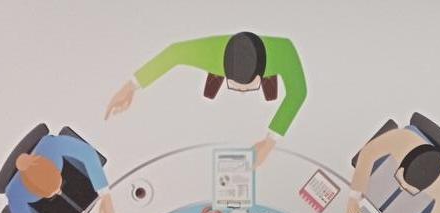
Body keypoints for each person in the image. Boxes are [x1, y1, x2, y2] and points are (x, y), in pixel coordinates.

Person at [105, 32, 307, 167]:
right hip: (219, 62)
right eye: (236, 86)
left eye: (248, 87)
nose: (242, 93)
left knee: (271, 90)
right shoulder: (211, 54)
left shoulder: (284, 52)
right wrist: (130, 87)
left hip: (268, 69)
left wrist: (270, 141)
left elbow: (298, 92)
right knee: (212, 86)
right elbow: (174, 53)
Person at [5, 131, 114, 213]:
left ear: (57, 169)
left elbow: (88, 153)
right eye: (53, 193)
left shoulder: (52, 146)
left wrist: (106, 196)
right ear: (36, 193)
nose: (59, 192)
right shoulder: (16, 195)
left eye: (58, 185)